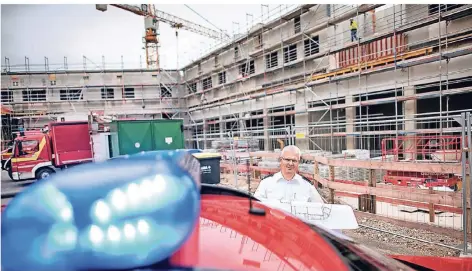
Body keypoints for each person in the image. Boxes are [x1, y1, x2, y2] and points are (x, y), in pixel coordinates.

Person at [254, 145, 324, 203]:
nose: (290, 163)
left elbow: (320, 208)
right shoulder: (266, 183)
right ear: (281, 160)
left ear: (298, 162)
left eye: (294, 160)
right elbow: (256, 206)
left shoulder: (307, 186)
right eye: (287, 160)